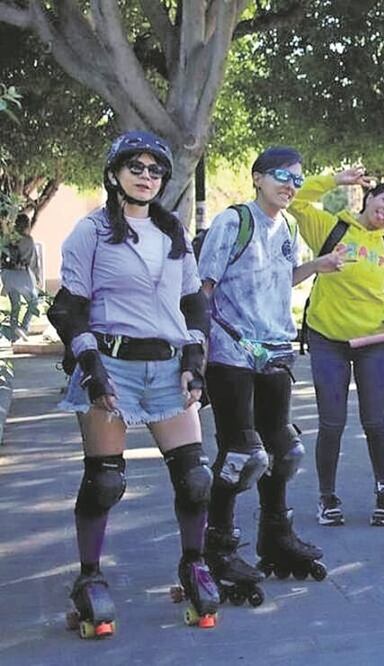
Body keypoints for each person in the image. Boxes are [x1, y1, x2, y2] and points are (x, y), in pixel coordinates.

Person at [47, 131, 219, 635]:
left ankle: (194, 563)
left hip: (168, 366)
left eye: (155, 170)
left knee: (194, 477)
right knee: (105, 481)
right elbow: (69, 308)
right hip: (111, 363)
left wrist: (195, 357)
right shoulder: (91, 231)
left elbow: (193, 302)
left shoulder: (173, 233)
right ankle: (89, 577)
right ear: (115, 173)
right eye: (137, 168)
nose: (147, 177)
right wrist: (91, 368)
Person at [198, 147, 344, 598]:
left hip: (276, 350)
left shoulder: (289, 226)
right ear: (258, 177)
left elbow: (281, 279)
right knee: (242, 453)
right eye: (282, 175)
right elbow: (203, 289)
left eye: (298, 179)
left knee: (283, 449)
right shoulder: (233, 221)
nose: (290, 185)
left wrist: (315, 267)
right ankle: (218, 546)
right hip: (231, 352)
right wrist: (197, 349)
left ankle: (275, 536)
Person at [288, 166, 384, 527]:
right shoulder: (334, 229)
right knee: (332, 423)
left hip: (374, 341)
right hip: (327, 339)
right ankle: (327, 498)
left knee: (375, 423)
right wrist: (336, 181)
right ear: (370, 197)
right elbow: (296, 200)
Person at [2, 213, 41, 338]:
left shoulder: (8, 239)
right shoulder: (29, 240)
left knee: (15, 305)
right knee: (33, 302)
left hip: (7, 275)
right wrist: (37, 276)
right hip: (22, 276)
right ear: (27, 226)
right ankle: (24, 327)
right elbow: (33, 261)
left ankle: (14, 333)